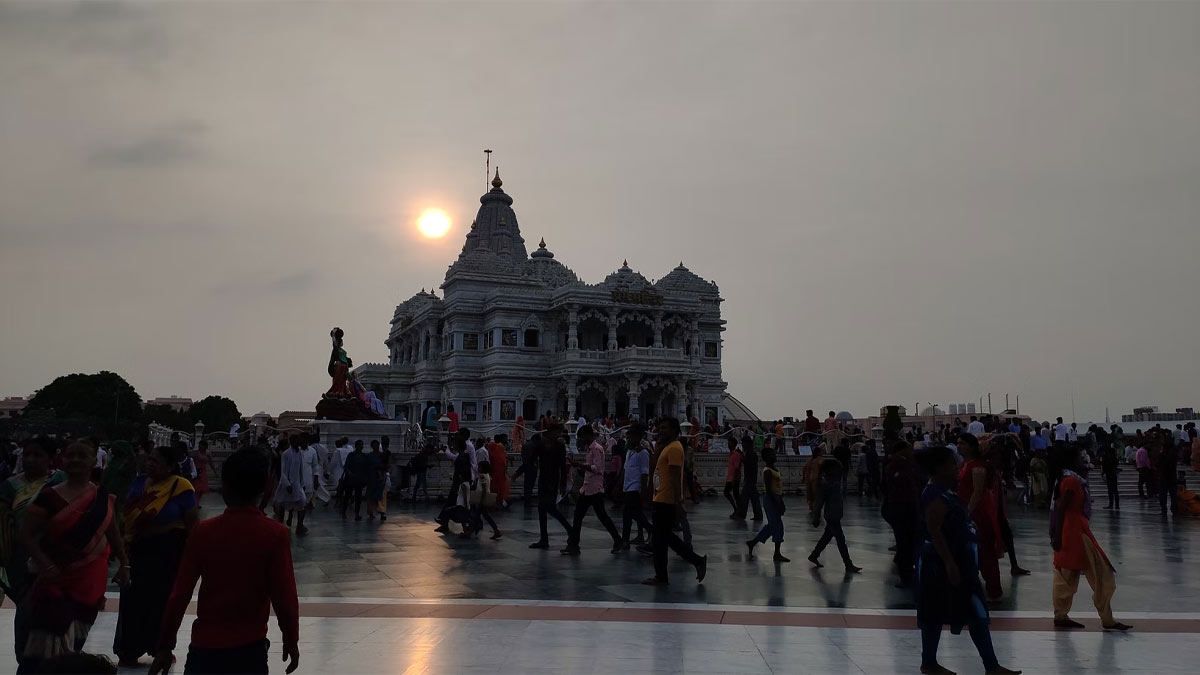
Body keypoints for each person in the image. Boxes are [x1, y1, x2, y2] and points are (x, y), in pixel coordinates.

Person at [150, 447, 300, 675]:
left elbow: (179, 594)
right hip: (249, 649)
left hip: (205, 648)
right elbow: (284, 596)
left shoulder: (203, 532)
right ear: (265, 488)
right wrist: (291, 638)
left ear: (224, 487)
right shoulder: (275, 534)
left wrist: (165, 645)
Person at [18, 442, 130, 672]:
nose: (76, 460)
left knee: (74, 646)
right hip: (55, 581)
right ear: (62, 461)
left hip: (89, 584)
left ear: (94, 461)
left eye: (82, 455)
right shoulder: (48, 497)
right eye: (71, 455)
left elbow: (113, 531)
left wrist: (124, 563)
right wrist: (45, 565)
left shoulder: (102, 498)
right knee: (45, 648)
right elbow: (26, 535)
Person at [915, 446, 1020, 675]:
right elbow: (935, 533)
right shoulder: (934, 496)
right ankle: (929, 662)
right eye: (953, 464)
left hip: (961, 562)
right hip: (941, 565)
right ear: (940, 468)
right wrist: (950, 564)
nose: (957, 468)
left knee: (975, 611)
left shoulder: (946, 492)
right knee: (936, 612)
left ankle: (991, 664)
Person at [114, 446, 199, 667]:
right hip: (138, 551)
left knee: (161, 602)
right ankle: (128, 649)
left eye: (157, 462)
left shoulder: (181, 487)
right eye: (149, 460)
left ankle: (160, 648)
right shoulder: (140, 481)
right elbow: (127, 511)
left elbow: (192, 524)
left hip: (167, 554)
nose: (150, 464)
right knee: (132, 601)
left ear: (171, 466)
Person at [1050, 445, 1131, 631]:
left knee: (1066, 575)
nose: (1083, 460)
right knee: (1100, 573)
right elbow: (1062, 509)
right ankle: (1106, 618)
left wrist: (1057, 534)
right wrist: (1058, 535)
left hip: (1073, 530)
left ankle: (1062, 614)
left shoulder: (1067, 479)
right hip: (1075, 532)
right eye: (1080, 457)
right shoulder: (1071, 481)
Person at [0, 437, 65, 664]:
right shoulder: (10, 486)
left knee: (50, 613)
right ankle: (25, 659)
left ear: (50, 458)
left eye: (37, 455)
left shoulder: (60, 482)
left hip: (55, 559)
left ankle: (50, 662)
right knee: (26, 608)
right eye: (27, 454)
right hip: (18, 559)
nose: (30, 459)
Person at [642, 417, 707, 586]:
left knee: (660, 540)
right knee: (666, 538)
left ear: (675, 430)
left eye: (665, 428)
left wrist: (679, 502)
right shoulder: (668, 447)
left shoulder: (675, 449)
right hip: (661, 497)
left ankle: (663, 575)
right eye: (660, 428)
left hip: (667, 500)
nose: (661, 431)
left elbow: (676, 476)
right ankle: (696, 561)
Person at [956, 434, 1004, 602]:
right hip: (965, 512)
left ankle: (994, 591)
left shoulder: (977, 467)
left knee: (985, 553)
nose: (959, 446)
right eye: (958, 443)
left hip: (977, 515)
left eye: (962, 443)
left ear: (971, 446)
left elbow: (977, 493)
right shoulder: (964, 465)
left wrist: (967, 513)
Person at [562, 425, 622, 555]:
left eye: (583, 436)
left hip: (595, 488)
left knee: (598, 516)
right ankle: (573, 544)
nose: (582, 439)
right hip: (588, 486)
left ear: (588, 435)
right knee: (580, 515)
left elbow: (598, 468)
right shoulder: (590, 449)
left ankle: (617, 540)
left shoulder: (596, 449)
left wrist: (580, 465)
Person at [808, 458, 860, 572]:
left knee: (827, 537)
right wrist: (816, 517)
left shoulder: (833, 481)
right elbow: (819, 502)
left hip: (835, 514)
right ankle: (848, 564)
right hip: (832, 516)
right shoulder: (826, 484)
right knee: (841, 540)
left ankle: (814, 555)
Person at [882, 441, 922, 587]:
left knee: (906, 541)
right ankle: (905, 573)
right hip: (901, 509)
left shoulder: (906, 465)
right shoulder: (897, 466)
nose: (911, 452)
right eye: (908, 450)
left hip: (905, 509)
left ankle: (905, 567)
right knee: (905, 541)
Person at [528, 422, 572, 549]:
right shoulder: (542, 443)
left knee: (550, 508)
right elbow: (533, 458)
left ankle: (570, 530)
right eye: (558, 432)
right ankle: (544, 538)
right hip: (543, 479)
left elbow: (562, 466)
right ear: (551, 432)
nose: (559, 434)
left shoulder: (559, 446)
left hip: (553, 480)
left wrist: (563, 483)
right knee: (542, 509)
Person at [746, 447, 788, 562]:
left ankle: (753, 542)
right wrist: (777, 503)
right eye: (772, 455)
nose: (774, 456)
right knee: (777, 526)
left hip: (776, 498)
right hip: (771, 499)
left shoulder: (774, 469)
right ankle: (777, 553)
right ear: (766, 458)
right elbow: (769, 490)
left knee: (772, 525)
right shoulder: (768, 471)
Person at [620, 423, 652, 547]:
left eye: (631, 437)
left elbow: (645, 473)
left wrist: (643, 491)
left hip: (635, 487)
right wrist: (619, 485)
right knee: (632, 513)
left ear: (638, 438)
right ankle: (632, 538)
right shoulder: (630, 452)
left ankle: (649, 530)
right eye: (628, 437)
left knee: (630, 513)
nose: (628, 440)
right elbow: (625, 469)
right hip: (628, 486)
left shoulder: (643, 453)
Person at [272, 437, 309, 532]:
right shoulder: (286, 454)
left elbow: (301, 469)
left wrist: (302, 483)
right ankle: (280, 525)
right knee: (283, 504)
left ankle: (299, 525)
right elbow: (283, 471)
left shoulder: (299, 453)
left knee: (302, 503)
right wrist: (287, 484)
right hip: (287, 484)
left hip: (297, 484)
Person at [341, 441, 370, 521]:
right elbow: (346, 466)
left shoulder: (364, 456)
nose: (361, 446)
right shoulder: (351, 455)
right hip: (350, 478)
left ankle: (357, 513)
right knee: (347, 496)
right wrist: (350, 473)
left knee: (358, 497)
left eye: (362, 445)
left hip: (359, 479)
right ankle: (343, 512)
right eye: (360, 445)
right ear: (356, 446)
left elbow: (366, 468)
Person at [735, 435, 763, 521]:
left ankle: (742, 514)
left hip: (749, 479)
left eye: (743, 443)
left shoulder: (750, 453)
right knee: (754, 498)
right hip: (751, 479)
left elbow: (749, 464)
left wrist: (741, 455)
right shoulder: (751, 453)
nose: (743, 445)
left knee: (744, 497)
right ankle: (758, 515)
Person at [486, 435, 510, 507]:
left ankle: (496, 501)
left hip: (494, 472)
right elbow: (503, 461)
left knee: (495, 487)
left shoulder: (492, 448)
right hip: (499, 473)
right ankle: (500, 501)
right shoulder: (499, 448)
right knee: (500, 488)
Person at [723, 435, 742, 517]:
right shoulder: (731, 454)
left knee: (733, 494)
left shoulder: (736, 455)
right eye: (728, 444)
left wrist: (734, 479)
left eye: (730, 444)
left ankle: (737, 510)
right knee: (731, 493)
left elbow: (737, 468)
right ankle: (737, 510)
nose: (728, 446)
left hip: (733, 478)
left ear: (734, 445)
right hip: (730, 478)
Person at [1100, 436, 1121, 510]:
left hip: (1110, 473)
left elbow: (1105, 464)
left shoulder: (1107, 456)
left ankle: (1112, 504)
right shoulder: (1113, 457)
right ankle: (1116, 505)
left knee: (1111, 489)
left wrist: (1103, 471)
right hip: (1112, 473)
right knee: (1114, 489)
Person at [191, 441, 212, 507]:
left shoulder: (208, 454)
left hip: (203, 472)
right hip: (196, 472)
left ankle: (197, 502)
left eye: (201, 446)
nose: (200, 447)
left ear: (205, 446)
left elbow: (211, 463)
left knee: (201, 489)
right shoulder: (196, 454)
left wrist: (215, 471)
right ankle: (195, 503)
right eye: (199, 446)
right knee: (196, 488)